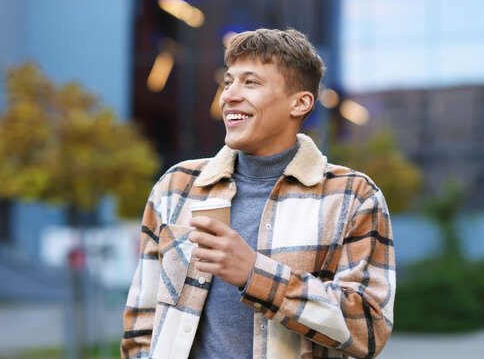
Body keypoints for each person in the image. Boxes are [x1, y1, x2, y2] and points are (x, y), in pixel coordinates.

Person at [121, 28, 395, 359]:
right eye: (228, 82)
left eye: (250, 82)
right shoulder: (175, 186)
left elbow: (368, 328)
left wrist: (255, 274)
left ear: (300, 103)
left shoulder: (354, 196)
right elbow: (141, 324)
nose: (229, 96)